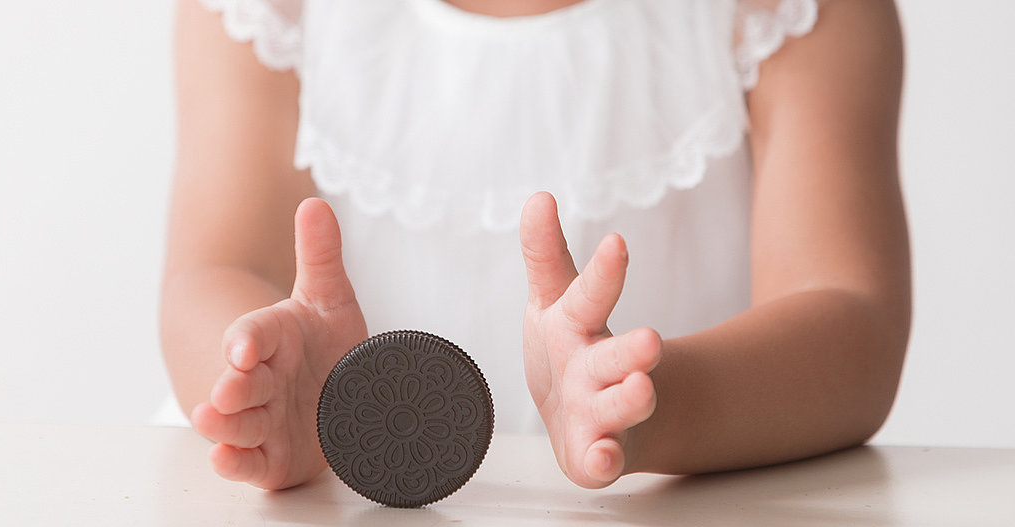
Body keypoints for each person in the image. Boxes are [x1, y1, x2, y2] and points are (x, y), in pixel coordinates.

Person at [159, 0, 910, 492]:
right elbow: (214, 269)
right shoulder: (271, 11)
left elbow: (851, 315)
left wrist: (651, 404)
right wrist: (269, 386)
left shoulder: (788, 13)